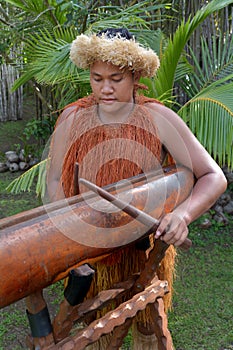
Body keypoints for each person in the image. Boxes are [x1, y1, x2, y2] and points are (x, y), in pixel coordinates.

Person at [45, 28, 227, 349]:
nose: (105, 88)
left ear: (135, 75)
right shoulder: (72, 118)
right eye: (96, 77)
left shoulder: (158, 117)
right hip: (93, 255)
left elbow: (213, 176)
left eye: (116, 78)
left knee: (147, 331)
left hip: (146, 253)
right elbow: (55, 183)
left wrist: (182, 216)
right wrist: (68, 243)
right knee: (98, 332)